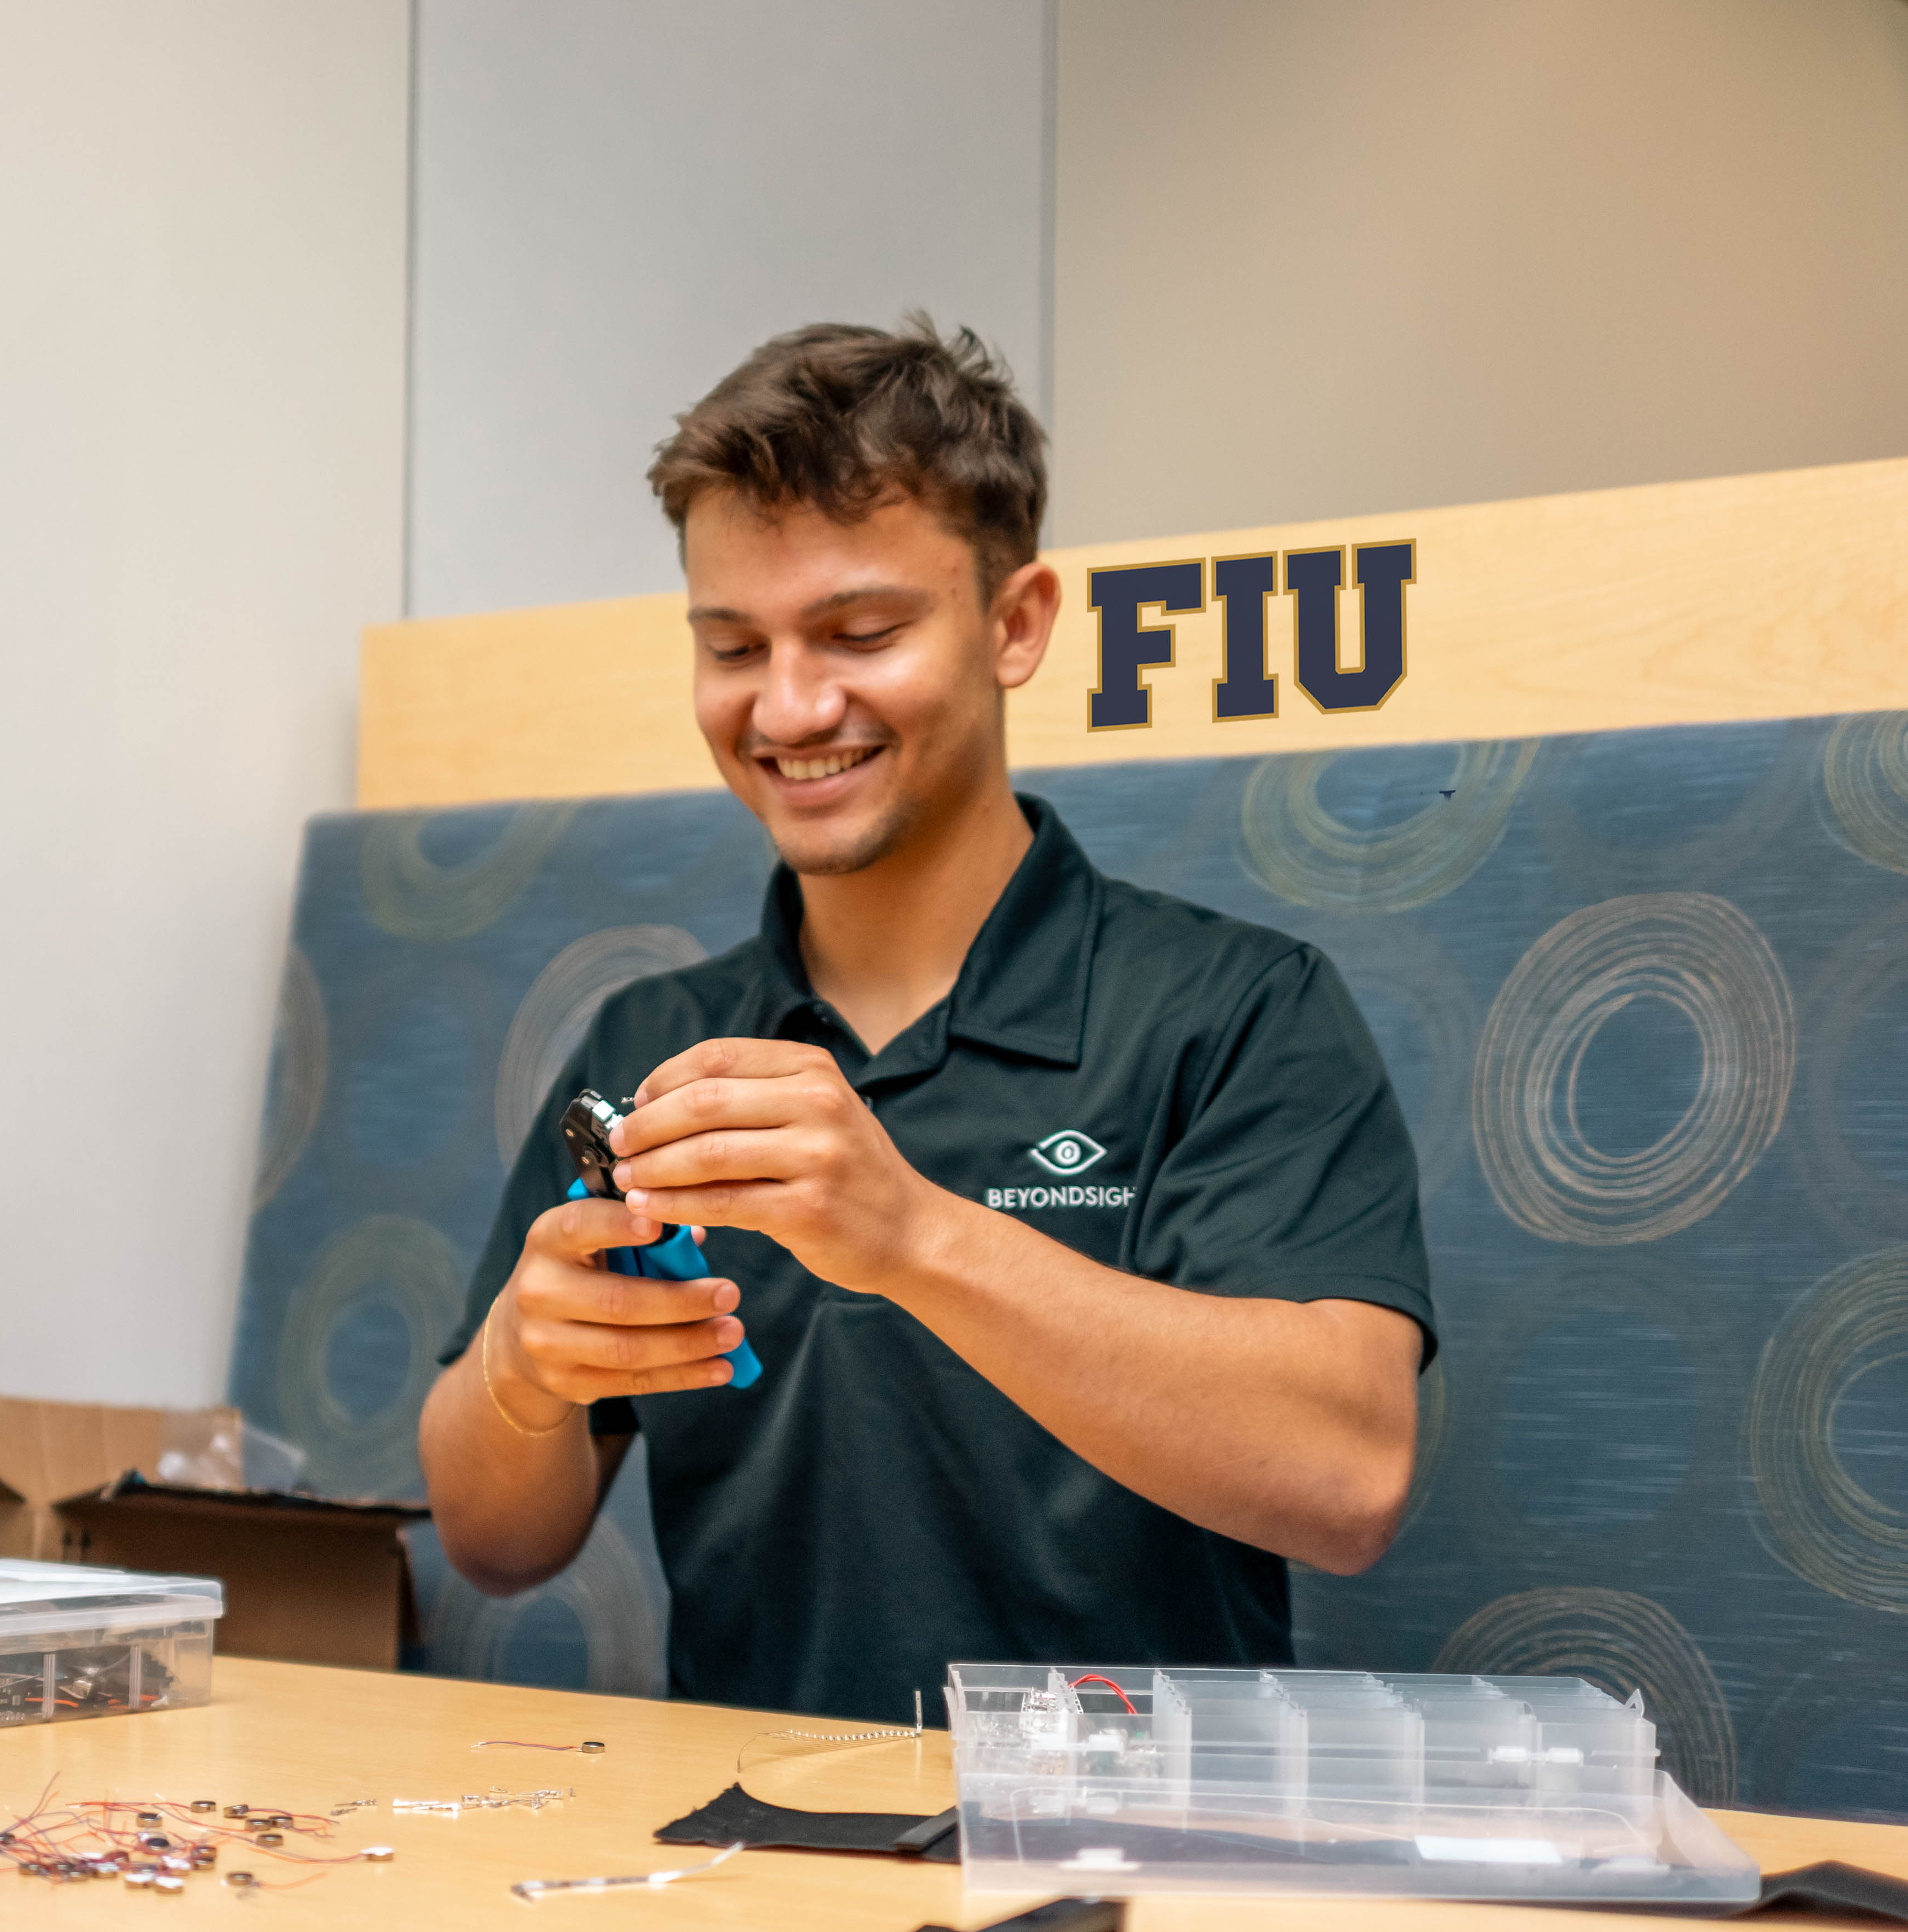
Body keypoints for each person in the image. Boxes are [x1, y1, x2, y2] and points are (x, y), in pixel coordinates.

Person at [418, 319, 1433, 1726]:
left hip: (1143, 1859)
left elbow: (1348, 1480)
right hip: (747, 1837)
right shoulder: (647, 1045)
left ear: (1014, 625)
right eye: (732, 645)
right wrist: (522, 1366)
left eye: (861, 633)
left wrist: (910, 1232)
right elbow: (494, 1541)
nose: (788, 705)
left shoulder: (1235, 1010)